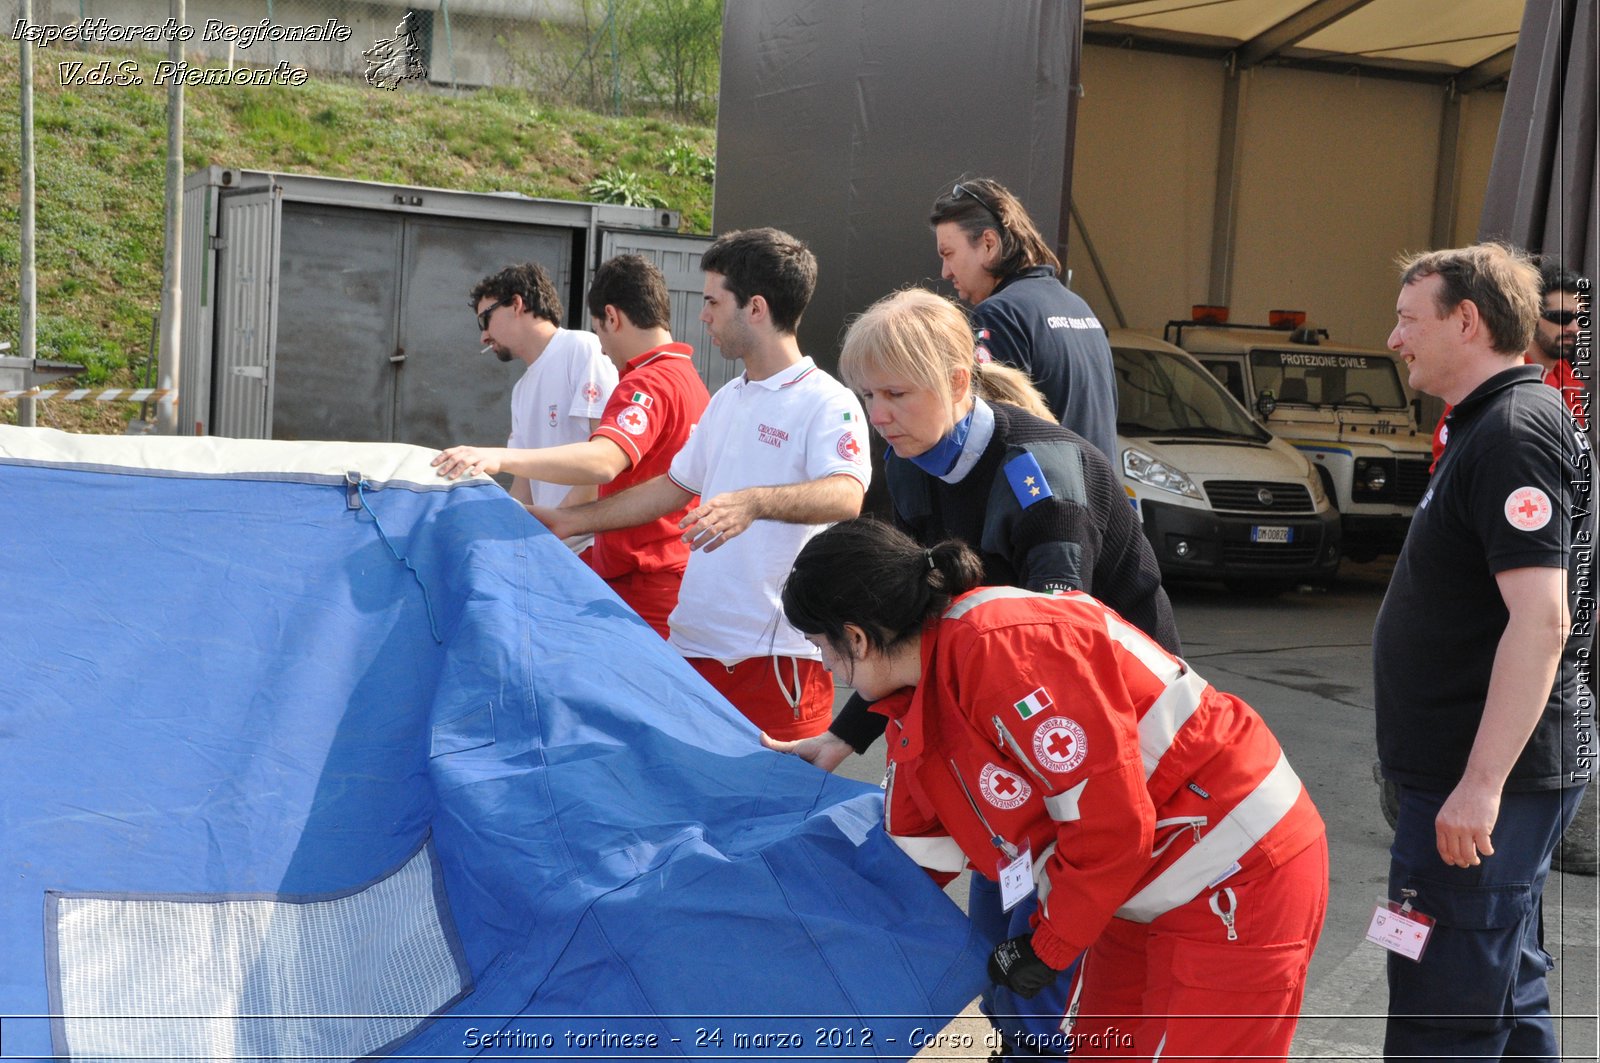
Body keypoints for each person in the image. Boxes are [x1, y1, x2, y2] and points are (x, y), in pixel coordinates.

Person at [764, 288, 1178, 1055]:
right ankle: (1018, 1039)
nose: (877, 413)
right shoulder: (910, 461)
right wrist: (841, 737)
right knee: (996, 928)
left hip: (1093, 733)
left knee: (1047, 940)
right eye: (867, 394)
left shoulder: (1042, 483)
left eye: (895, 392)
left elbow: (1064, 665)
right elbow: (891, 617)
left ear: (959, 381)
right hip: (1000, 725)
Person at [781, 519, 1329, 1062]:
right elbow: (912, 853)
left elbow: (1108, 825)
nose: (829, 668)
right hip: (1132, 885)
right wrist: (802, 914)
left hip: (1236, 870)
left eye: (821, 647)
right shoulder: (915, 694)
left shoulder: (1003, 651)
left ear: (855, 636)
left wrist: (1047, 946)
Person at [1376, 242, 1592, 1060]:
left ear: (1466, 321)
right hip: (1471, 772)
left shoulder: (1511, 434)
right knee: (1503, 981)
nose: (1395, 337)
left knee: (1444, 1000)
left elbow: (1542, 621)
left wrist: (1479, 783)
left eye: (1408, 319)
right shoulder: (1490, 424)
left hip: (1481, 783)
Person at [531, 229, 869, 740]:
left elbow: (847, 495)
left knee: (774, 811)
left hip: (775, 660)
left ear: (755, 308)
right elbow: (673, 485)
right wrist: (570, 521)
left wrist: (753, 503)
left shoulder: (827, 401)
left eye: (713, 301)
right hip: (693, 645)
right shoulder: (728, 397)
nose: (703, 316)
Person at [434, 256, 710, 638]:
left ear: (610, 318)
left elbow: (602, 462)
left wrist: (497, 457)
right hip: (636, 567)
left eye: (600, 330)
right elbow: (661, 486)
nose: (603, 348)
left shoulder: (643, 381)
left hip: (638, 575)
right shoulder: (686, 380)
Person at [929, 178, 1118, 461]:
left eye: (948, 254)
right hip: (1098, 494)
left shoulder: (999, 315)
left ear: (989, 244)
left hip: (1047, 499)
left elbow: (992, 436)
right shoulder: (1080, 308)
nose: (945, 272)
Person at [468, 262, 618, 549]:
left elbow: (604, 465)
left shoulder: (582, 350)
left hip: (588, 550)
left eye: (485, 319)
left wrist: (553, 533)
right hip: (556, 548)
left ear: (516, 304)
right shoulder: (521, 390)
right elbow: (525, 487)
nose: (483, 336)